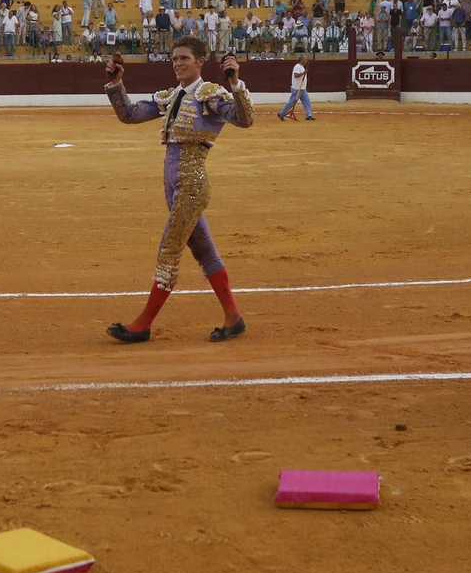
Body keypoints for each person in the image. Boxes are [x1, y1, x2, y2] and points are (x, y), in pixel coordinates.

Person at [102, 39, 255, 344]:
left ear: (200, 62)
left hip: (191, 186)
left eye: (184, 58)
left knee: (169, 251)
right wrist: (116, 83)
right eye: (174, 58)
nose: (178, 63)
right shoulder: (172, 97)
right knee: (204, 252)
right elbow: (129, 114)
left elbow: (244, 119)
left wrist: (236, 82)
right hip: (174, 188)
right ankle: (233, 318)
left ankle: (143, 324)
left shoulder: (210, 94)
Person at [277, 56, 314, 121]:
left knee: (307, 102)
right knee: (291, 103)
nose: (306, 61)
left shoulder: (302, 67)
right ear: (301, 60)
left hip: (302, 89)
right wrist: (303, 73)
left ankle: (309, 115)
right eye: (305, 60)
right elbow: (296, 75)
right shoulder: (297, 66)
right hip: (297, 88)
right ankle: (281, 113)